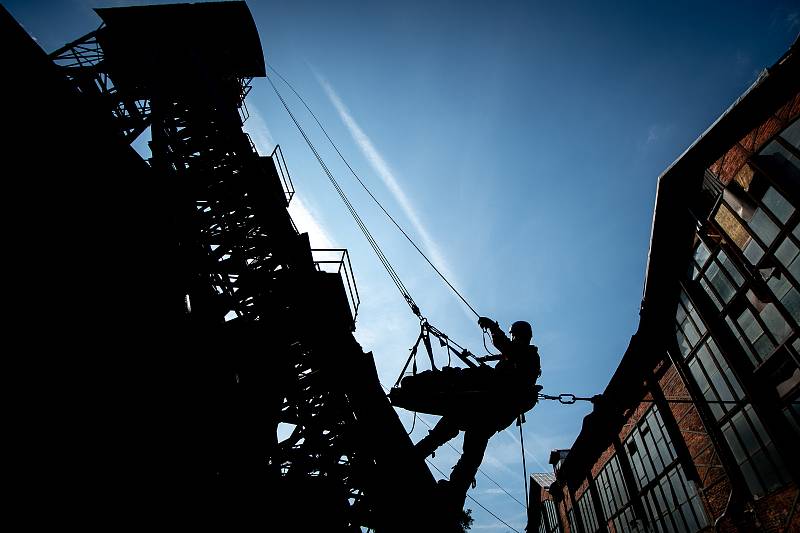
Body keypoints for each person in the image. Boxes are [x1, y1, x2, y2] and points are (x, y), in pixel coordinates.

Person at [413, 317, 541, 512]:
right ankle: (454, 492)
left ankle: (449, 486)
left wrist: (492, 327)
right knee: (467, 444)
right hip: (491, 411)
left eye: (513, 335)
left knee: (456, 429)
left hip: (489, 406)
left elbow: (502, 344)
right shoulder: (521, 358)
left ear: (518, 335)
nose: (512, 338)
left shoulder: (526, 355)